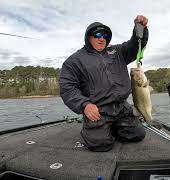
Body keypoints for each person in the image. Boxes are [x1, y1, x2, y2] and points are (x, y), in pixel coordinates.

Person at [59, 15, 149, 152]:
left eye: (105, 35)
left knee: (138, 134)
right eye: (97, 34)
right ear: (88, 37)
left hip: (122, 108)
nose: (102, 38)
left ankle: (113, 127)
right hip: (98, 111)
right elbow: (67, 88)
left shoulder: (117, 51)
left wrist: (140, 28)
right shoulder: (74, 61)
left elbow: (136, 45)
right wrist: (84, 105)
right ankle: (92, 130)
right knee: (100, 144)